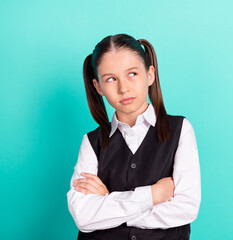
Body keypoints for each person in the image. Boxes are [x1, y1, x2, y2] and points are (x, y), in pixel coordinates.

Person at [66, 33, 201, 240]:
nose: (123, 88)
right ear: (98, 87)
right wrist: (153, 195)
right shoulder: (91, 142)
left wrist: (109, 202)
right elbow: (83, 217)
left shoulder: (181, 130)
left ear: (149, 75)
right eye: (111, 79)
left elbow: (186, 207)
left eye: (132, 74)